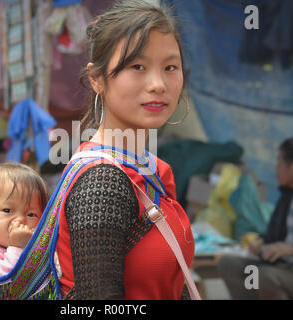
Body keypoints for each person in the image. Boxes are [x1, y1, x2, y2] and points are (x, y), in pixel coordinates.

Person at [54, 0, 195, 299]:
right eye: (137, 66)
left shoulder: (154, 169)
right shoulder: (102, 182)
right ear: (97, 79)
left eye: (170, 67)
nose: (158, 84)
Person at [218, 137, 293, 299]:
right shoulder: (287, 197)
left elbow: (292, 247)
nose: (276, 168)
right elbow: (272, 235)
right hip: (281, 265)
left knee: (266, 276)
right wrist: (260, 242)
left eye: (279, 162)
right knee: (229, 264)